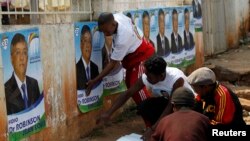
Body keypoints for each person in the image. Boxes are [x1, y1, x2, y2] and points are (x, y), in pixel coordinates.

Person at [97, 55, 194, 131]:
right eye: (145, 74)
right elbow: (128, 93)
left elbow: (171, 105)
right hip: (169, 103)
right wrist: (108, 113)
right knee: (144, 106)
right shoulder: (147, 77)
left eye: (149, 76)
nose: (146, 78)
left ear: (161, 76)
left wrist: (153, 129)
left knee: (178, 118)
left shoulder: (176, 79)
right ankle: (160, 129)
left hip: (188, 104)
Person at [86, 12, 155, 106]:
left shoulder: (122, 39)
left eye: (106, 31)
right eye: (103, 31)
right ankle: (144, 108)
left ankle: (150, 112)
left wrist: (94, 81)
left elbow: (112, 64)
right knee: (130, 85)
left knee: (136, 87)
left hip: (141, 55)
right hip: (132, 54)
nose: (105, 34)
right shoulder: (117, 16)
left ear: (113, 24)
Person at [4, 33, 40, 115]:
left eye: (24, 52)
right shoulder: (6, 90)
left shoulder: (34, 83)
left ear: (27, 57)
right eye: (17, 53)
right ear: (11, 59)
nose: (21, 58)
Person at [76, 25, 99, 90]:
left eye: (89, 42)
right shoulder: (76, 69)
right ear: (81, 45)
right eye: (85, 41)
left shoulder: (95, 68)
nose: (87, 46)